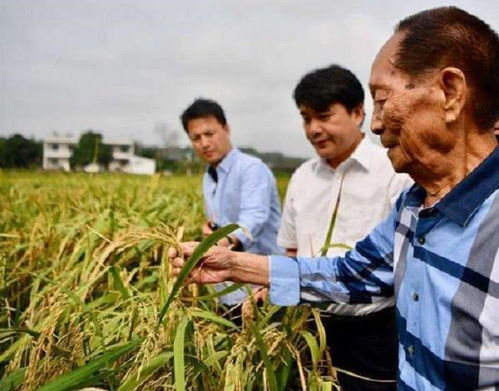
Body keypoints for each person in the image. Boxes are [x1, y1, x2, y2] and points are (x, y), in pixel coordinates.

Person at [171, 6, 499, 390]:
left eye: (382, 99)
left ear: (450, 92)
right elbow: (348, 274)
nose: (377, 124)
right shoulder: (413, 207)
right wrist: (232, 265)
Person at [275, 64, 412, 390]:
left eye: (324, 116)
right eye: (306, 118)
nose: (313, 129)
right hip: (308, 328)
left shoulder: (393, 171)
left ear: (357, 112)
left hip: (372, 332)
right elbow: (291, 249)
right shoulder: (302, 177)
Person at [180, 98, 282, 320]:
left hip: (259, 290)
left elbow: (254, 217)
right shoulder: (209, 176)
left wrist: (218, 242)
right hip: (226, 290)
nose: (204, 143)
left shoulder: (251, 169)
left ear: (226, 129)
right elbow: (221, 221)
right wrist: (211, 229)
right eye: (196, 138)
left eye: (210, 134)